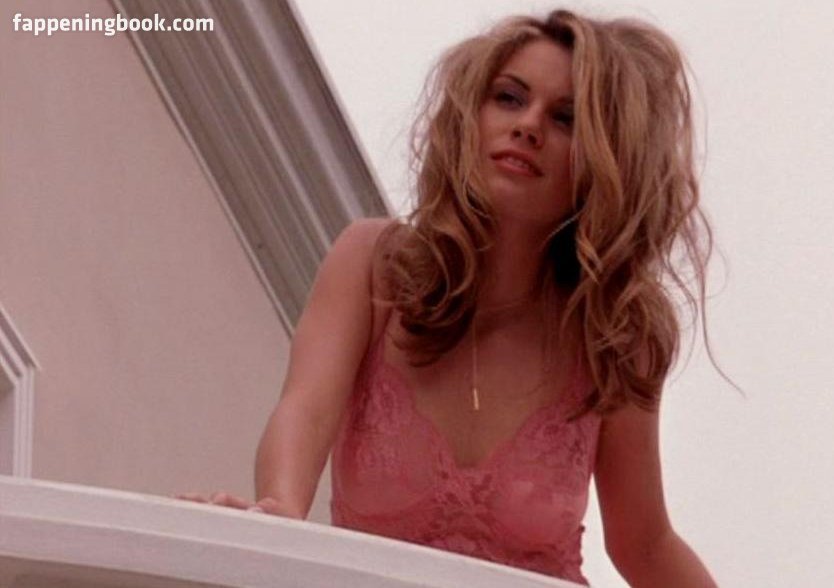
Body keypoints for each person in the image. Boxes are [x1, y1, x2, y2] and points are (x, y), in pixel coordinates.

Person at [181, 8, 726, 586]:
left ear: (606, 158)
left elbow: (645, 542)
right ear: (471, 115)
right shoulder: (373, 265)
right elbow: (305, 410)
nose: (528, 125)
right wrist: (278, 516)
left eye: (565, 118)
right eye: (509, 98)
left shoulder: (613, 336)